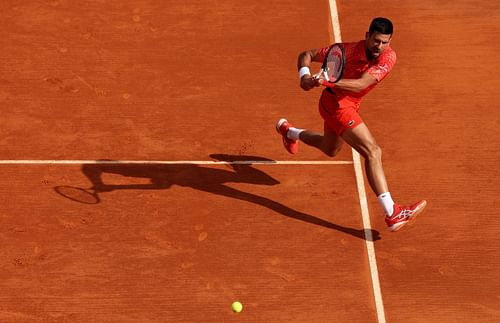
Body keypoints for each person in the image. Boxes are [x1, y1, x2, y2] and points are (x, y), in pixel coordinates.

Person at [275, 17, 426, 232]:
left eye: (385, 42)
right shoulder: (344, 51)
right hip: (337, 105)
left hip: (349, 101)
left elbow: (361, 85)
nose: (379, 47)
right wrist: (305, 76)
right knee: (373, 151)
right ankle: (392, 212)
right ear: (367, 36)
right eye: (376, 41)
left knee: (330, 149)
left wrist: (327, 80)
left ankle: (290, 132)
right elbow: (305, 55)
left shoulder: (388, 57)